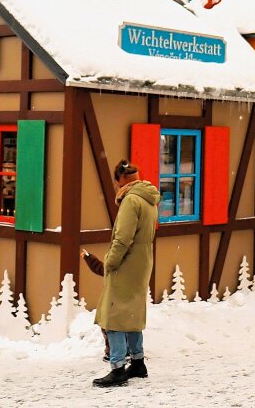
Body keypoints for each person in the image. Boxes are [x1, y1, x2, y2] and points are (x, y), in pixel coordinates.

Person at [93, 160, 160, 388]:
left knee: (114, 316)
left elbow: (123, 238)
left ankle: (118, 368)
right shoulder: (147, 198)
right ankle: (138, 363)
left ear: (120, 180)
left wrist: (110, 261)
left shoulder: (131, 201)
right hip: (142, 262)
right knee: (131, 313)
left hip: (127, 263)